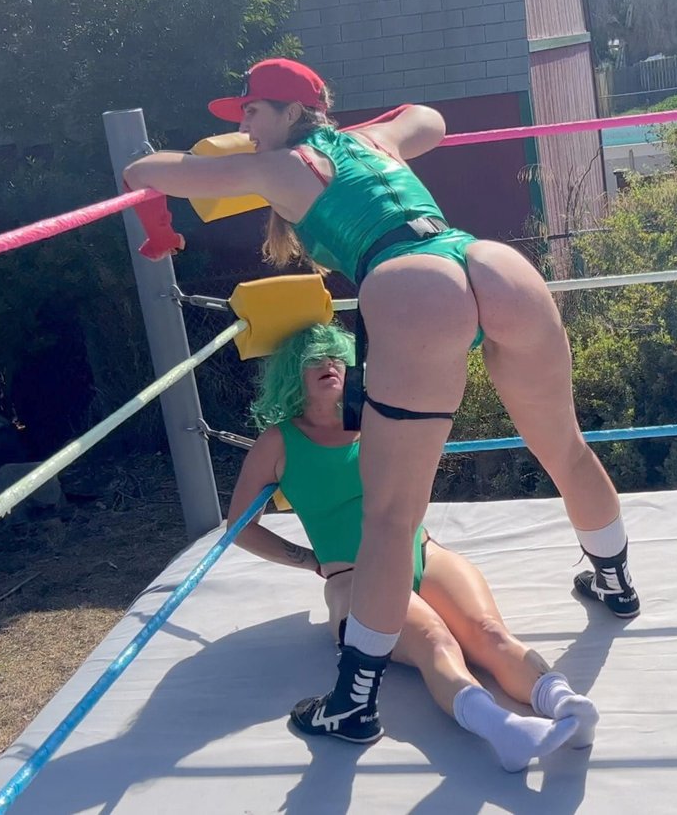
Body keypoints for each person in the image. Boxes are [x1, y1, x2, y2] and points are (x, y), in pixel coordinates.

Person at [122, 61, 638, 743]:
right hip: (489, 262)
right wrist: (357, 133)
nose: (244, 125)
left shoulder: (277, 167)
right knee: (563, 446)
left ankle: (354, 701)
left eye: (252, 111)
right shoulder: (373, 140)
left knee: (392, 516)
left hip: (413, 285)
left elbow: (151, 170)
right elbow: (430, 118)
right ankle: (615, 583)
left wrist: (175, 176)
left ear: (289, 113)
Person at [225, 322, 600, 764]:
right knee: (437, 644)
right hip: (358, 576)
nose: (328, 363)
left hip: (422, 552)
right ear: (293, 372)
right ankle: (504, 730)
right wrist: (310, 561)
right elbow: (239, 527)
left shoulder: (374, 418)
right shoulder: (277, 442)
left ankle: (565, 703)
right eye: (313, 359)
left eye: (335, 355)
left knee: (489, 633)